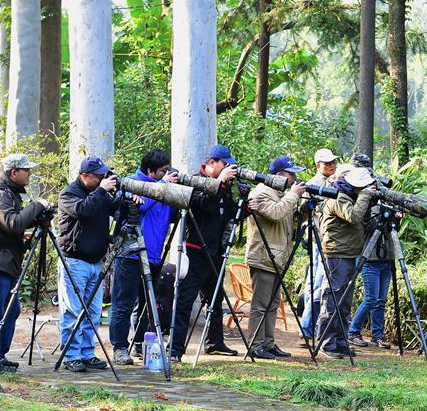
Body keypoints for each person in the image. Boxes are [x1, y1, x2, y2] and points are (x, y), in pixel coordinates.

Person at [0, 154, 49, 373]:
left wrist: (34, 219)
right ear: (13, 172)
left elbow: (11, 226)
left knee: (11, 309)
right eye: (27, 170)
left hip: (5, 262)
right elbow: (13, 223)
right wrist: (36, 205)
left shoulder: (10, 194)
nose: (30, 173)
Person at [108, 149, 178, 366]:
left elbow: (173, 215)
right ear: (150, 171)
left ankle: (141, 343)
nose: (167, 174)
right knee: (124, 302)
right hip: (130, 254)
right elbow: (141, 206)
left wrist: (173, 190)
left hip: (154, 255)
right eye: (163, 171)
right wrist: (164, 185)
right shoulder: (130, 183)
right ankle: (119, 347)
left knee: (148, 304)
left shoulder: (164, 186)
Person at [169, 144, 239, 360]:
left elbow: (227, 214)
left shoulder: (225, 187)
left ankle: (215, 342)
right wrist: (219, 183)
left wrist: (244, 208)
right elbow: (204, 205)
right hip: (196, 252)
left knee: (215, 300)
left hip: (216, 253)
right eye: (225, 164)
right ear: (211, 164)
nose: (229, 168)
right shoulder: (193, 182)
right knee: (185, 301)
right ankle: (175, 350)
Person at [57, 156, 121, 373]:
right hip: (74, 261)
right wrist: (102, 191)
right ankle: (71, 356)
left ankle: (86, 353)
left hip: (96, 262)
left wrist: (126, 199)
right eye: (99, 175)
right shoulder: (69, 194)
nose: (104, 178)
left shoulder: (99, 194)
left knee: (93, 314)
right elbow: (83, 210)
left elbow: (114, 209)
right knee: (73, 311)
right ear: (85, 176)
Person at [245, 156, 306, 359]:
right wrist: (294, 195)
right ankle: (255, 345)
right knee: (260, 304)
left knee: (272, 304)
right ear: (279, 175)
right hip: (264, 255)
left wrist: (303, 209)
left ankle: (268, 343)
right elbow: (276, 213)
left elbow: (287, 220)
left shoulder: (279, 193)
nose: (295, 178)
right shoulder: (261, 192)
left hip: (277, 256)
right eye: (291, 174)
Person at [316, 166, 375, 359]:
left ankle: (340, 342)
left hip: (348, 254)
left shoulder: (350, 197)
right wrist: (366, 196)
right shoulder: (337, 197)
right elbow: (354, 216)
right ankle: (327, 344)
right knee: (333, 300)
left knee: (344, 303)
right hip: (336, 254)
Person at [347, 154, 394, 349]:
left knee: (381, 301)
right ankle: (353, 331)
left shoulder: (383, 203)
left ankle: (377, 335)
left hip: (385, 257)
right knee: (371, 298)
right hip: (369, 258)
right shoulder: (362, 202)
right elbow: (361, 225)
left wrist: (393, 217)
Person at [300, 148, 338, 341]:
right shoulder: (313, 184)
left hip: (326, 240)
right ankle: (308, 328)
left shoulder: (336, 182)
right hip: (318, 240)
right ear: (317, 166)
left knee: (315, 283)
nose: (331, 166)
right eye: (327, 163)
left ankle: (309, 326)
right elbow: (304, 211)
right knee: (316, 284)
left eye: (333, 162)